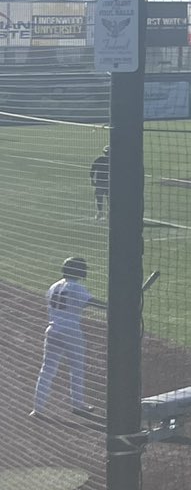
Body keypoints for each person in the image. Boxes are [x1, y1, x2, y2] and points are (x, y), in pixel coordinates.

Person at [33, 255, 97, 420]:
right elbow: (95, 303)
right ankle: (78, 404)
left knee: (47, 369)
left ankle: (37, 408)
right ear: (78, 271)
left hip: (53, 330)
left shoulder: (53, 287)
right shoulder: (76, 287)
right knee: (77, 368)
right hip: (71, 332)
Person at [89, 146, 110, 220]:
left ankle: (101, 213)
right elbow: (93, 169)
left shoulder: (99, 159)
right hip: (107, 183)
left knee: (100, 199)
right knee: (107, 199)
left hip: (101, 182)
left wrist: (92, 180)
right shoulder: (113, 160)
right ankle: (105, 214)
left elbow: (92, 169)